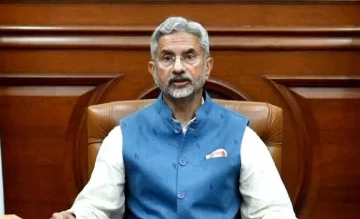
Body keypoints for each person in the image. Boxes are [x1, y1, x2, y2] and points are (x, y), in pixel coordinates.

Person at [51, 16, 297, 219]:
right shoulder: (122, 137)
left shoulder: (242, 136)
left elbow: (273, 211)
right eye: (167, 58)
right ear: (154, 70)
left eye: (189, 56)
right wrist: (73, 217)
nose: (178, 67)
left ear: (208, 66)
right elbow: (97, 207)